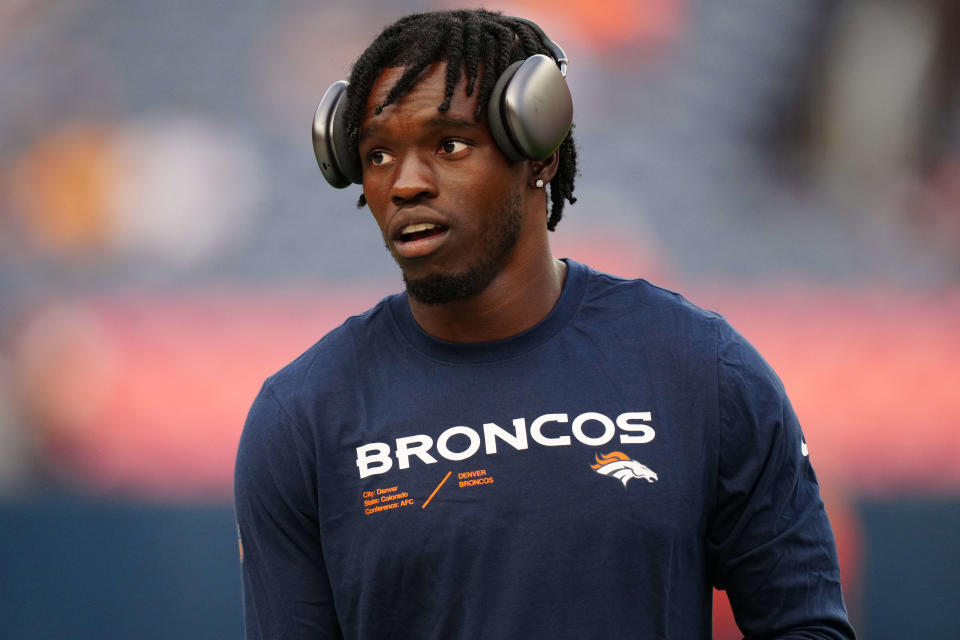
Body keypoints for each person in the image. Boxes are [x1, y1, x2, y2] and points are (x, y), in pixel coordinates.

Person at [234, 9, 856, 639]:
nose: (406, 183)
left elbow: (806, 626)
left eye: (449, 144)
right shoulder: (304, 417)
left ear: (539, 153)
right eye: (378, 153)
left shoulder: (699, 369)